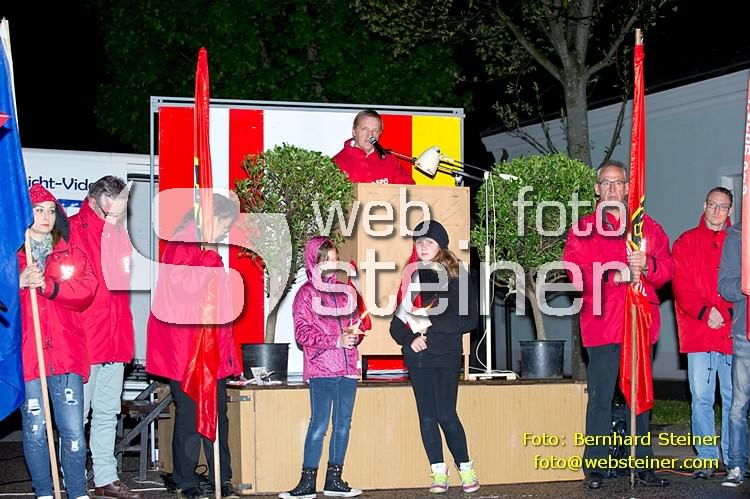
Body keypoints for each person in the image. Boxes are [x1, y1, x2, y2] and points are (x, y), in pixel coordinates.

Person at [562, 160, 673, 489]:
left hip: (639, 324)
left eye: (618, 182)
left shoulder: (646, 227)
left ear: (627, 188)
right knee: (600, 398)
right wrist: (617, 274)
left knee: (640, 398)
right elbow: (575, 273)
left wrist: (648, 264)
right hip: (602, 326)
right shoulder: (584, 229)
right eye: (606, 183)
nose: (612, 188)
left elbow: (669, 269)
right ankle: (595, 467)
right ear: (597, 189)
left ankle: (643, 464)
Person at [147, 194, 242, 499]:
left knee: (218, 416)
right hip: (187, 351)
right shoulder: (182, 246)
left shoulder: (202, 248)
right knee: (189, 417)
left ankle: (220, 477)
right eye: (224, 223)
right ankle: (186, 479)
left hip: (211, 349)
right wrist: (211, 258)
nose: (225, 230)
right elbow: (186, 288)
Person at [18, 185, 97, 499]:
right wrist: (17, 283)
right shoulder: (11, 256)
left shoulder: (70, 253)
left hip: (66, 355)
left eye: (51, 210)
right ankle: (44, 492)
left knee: (74, 430)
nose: (46, 216)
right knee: (35, 428)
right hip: (29, 357)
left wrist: (49, 287)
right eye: (38, 210)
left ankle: (77, 491)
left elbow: (86, 289)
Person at [389, 220, 479, 494]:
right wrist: (410, 339)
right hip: (418, 358)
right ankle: (438, 471)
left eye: (429, 241)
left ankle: (466, 468)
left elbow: (469, 319)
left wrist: (430, 323)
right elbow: (396, 325)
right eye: (418, 242)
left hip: (446, 355)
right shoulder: (412, 277)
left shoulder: (456, 274)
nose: (423, 246)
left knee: (446, 414)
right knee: (427, 416)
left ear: (441, 245)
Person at [69, 176, 142, 499]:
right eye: (114, 209)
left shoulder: (119, 235)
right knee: (76, 418)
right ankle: (72, 480)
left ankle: (105, 478)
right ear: (94, 200)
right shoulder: (70, 230)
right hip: (83, 341)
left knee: (107, 414)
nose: (118, 215)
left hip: (115, 338)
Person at [280, 236, 364, 499]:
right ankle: (307, 483)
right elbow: (302, 334)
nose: (331, 265)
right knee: (319, 425)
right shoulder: (306, 294)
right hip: (322, 370)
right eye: (325, 260)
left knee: (343, 425)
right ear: (313, 262)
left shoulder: (345, 291)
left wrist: (355, 334)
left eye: (334, 259)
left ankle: (333, 480)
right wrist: (335, 340)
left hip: (347, 368)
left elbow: (354, 326)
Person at [672, 187, 734, 479]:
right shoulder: (685, 242)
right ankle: (707, 457)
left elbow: (743, 282)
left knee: (734, 399)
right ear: (704, 205)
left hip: (732, 333)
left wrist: (727, 312)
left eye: (723, 206)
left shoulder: (739, 242)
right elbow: (681, 285)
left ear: (730, 211)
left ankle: (734, 458)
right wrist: (705, 312)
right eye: (712, 204)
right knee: (701, 398)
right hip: (699, 331)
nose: (717, 211)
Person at [718, 221, 750, 487]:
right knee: (739, 404)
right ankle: (737, 464)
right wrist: (746, 283)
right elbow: (725, 286)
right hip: (745, 333)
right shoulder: (738, 236)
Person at [332, 109, 415, 185]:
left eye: (375, 130)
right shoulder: (337, 162)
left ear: (380, 133)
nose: (370, 135)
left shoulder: (390, 160)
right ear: (354, 131)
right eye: (365, 129)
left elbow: (409, 189)